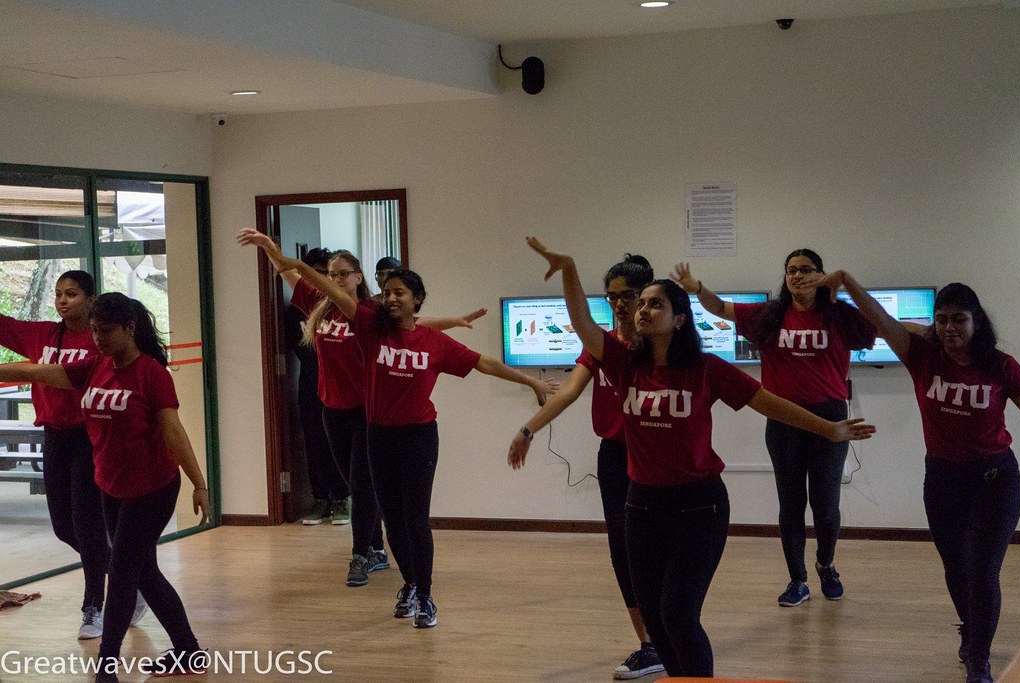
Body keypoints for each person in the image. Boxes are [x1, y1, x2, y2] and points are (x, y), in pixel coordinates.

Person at [526, 236, 874, 678]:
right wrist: (570, 268)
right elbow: (582, 324)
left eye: (655, 304)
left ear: (678, 319)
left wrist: (829, 428)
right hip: (642, 506)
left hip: (699, 506)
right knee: (654, 617)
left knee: (678, 614)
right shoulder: (623, 363)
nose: (643, 310)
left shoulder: (706, 369)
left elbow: (767, 402)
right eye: (641, 305)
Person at [249, 244, 558, 629]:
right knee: (393, 522)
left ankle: (425, 595)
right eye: (388, 292)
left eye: (400, 293)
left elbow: (483, 363)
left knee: (415, 520)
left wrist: (529, 380)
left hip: (419, 438)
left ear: (417, 301)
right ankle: (409, 582)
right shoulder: (367, 326)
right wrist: (294, 266)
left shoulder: (434, 343)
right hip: (378, 437)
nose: (392, 298)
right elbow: (334, 293)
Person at [239, 228, 487, 589]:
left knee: (361, 482)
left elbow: (414, 324)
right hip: (332, 409)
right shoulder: (317, 303)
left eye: (343, 273)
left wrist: (455, 321)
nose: (335, 278)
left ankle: (359, 555)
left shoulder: (370, 312)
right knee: (357, 485)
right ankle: (375, 548)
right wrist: (269, 248)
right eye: (331, 273)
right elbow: (288, 270)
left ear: (358, 276)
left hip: (365, 412)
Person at [804, 271, 1020, 683]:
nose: (950, 328)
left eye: (959, 319)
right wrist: (846, 280)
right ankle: (971, 629)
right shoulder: (922, 356)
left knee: (983, 571)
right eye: (941, 320)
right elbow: (881, 320)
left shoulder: (1001, 366)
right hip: (943, 480)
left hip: (996, 481)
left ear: (977, 321)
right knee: (956, 568)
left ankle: (979, 657)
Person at [0, 293, 212, 683]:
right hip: (111, 486)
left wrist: (200, 484)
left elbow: (174, 433)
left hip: (152, 487)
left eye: (107, 331)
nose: (98, 338)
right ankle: (188, 651)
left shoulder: (152, 374)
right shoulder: (92, 367)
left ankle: (107, 664)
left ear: (130, 328)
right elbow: (32, 372)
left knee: (123, 569)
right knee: (144, 573)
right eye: (94, 330)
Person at [673, 251, 876, 606]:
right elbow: (721, 309)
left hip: (829, 417)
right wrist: (697, 288)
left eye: (807, 270)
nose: (798, 276)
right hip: (783, 420)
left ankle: (826, 565)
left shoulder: (840, 316)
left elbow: (880, 322)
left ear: (821, 275)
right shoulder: (770, 315)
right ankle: (797, 579)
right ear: (785, 277)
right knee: (791, 503)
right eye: (792, 271)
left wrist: (846, 282)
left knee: (826, 505)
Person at [507, 254, 664, 680]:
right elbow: (570, 392)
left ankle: (671, 633)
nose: (618, 304)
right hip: (615, 458)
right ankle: (650, 644)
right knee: (624, 550)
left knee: (660, 551)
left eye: (627, 296)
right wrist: (528, 429)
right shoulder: (602, 345)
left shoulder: (661, 346)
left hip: (660, 458)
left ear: (647, 293)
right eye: (611, 297)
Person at [0, 271, 145, 639]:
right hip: (54, 438)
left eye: (73, 294)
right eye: (59, 294)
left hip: (89, 438)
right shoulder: (44, 334)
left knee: (88, 527)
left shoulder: (102, 340)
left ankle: (94, 607)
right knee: (65, 528)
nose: (63, 301)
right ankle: (133, 582)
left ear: (91, 299)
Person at [283, 248, 352, 526]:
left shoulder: (346, 308)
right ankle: (320, 499)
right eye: (312, 273)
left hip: (341, 387)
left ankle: (342, 499)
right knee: (314, 442)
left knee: (340, 445)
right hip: (310, 383)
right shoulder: (295, 311)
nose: (318, 278)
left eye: (324, 273)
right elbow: (296, 350)